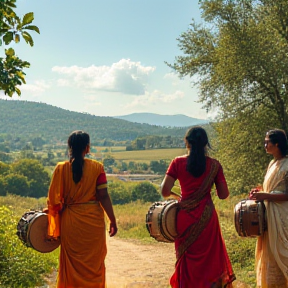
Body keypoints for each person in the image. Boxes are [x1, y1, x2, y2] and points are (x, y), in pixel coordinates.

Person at [160, 126, 235, 288]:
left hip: (184, 219)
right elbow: (223, 194)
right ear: (206, 144)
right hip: (207, 218)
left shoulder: (177, 163)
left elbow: (164, 191)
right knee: (210, 261)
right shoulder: (215, 165)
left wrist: (177, 196)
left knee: (186, 261)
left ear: (187, 142)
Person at [46, 130, 118, 288]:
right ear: (87, 148)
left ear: (69, 147)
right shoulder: (97, 168)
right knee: (94, 265)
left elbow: (54, 202)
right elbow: (103, 196)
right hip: (93, 223)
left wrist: (55, 215)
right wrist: (112, 220)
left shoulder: (60, 169)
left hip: (70, 224)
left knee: (71, 267)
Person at [249, 129, 288, 287]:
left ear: (277, 144)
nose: (265, 145)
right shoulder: (273, 163)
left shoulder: (287, 165)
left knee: (282, 252)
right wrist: (260, 191)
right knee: (270, 254)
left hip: (282, 216)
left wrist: (267, 196)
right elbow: (272, 187)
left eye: (267, 142)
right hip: (269, 216)